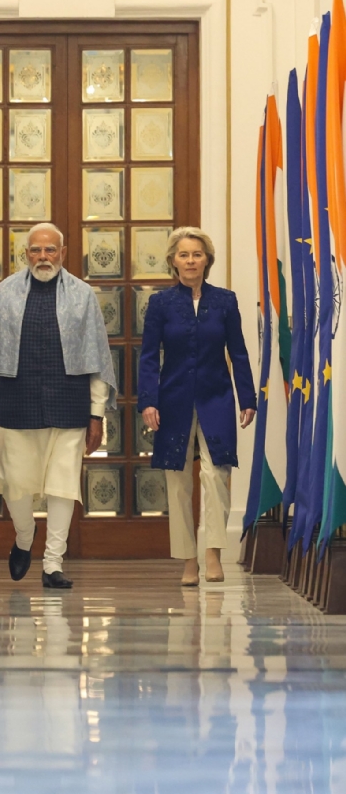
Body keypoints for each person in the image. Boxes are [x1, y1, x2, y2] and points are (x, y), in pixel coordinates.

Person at [0, 223, 116, 589]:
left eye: (50, 250)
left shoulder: (82, 295)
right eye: (35, 250)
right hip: (16, 403)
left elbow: (96, 358)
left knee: (63, 485)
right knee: (16, 485)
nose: (43, 257)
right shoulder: (6, 292)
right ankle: (24, 538)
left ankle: (52, 563)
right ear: (25, 254)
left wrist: (97, 414)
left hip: (69, 403)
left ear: (63, 253)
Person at [138, 227, 256, 585]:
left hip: (216, 395)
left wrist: (247, 397)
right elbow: (147, 357)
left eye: (197, 254)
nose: (191, 261)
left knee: (216, 476)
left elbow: (238, 351)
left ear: (208, 260)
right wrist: (148, 401)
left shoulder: (225, 301)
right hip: (172, 400)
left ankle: (213, 555)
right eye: (184, 255)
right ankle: (189, 560)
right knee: (177, 483)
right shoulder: (160, 303)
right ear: (173, 261)